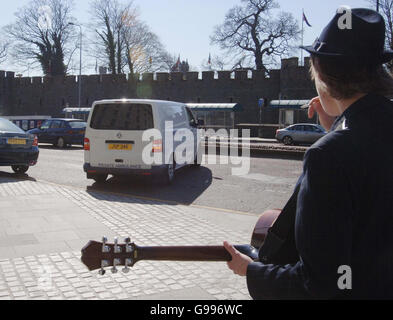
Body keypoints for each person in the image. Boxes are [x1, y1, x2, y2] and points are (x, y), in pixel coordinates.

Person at [224, 7, 393, 299]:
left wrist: (250, 271)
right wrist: (337, 126)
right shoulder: (349, 141)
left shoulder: (328, 156)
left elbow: (319, 284)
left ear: (323, 78)